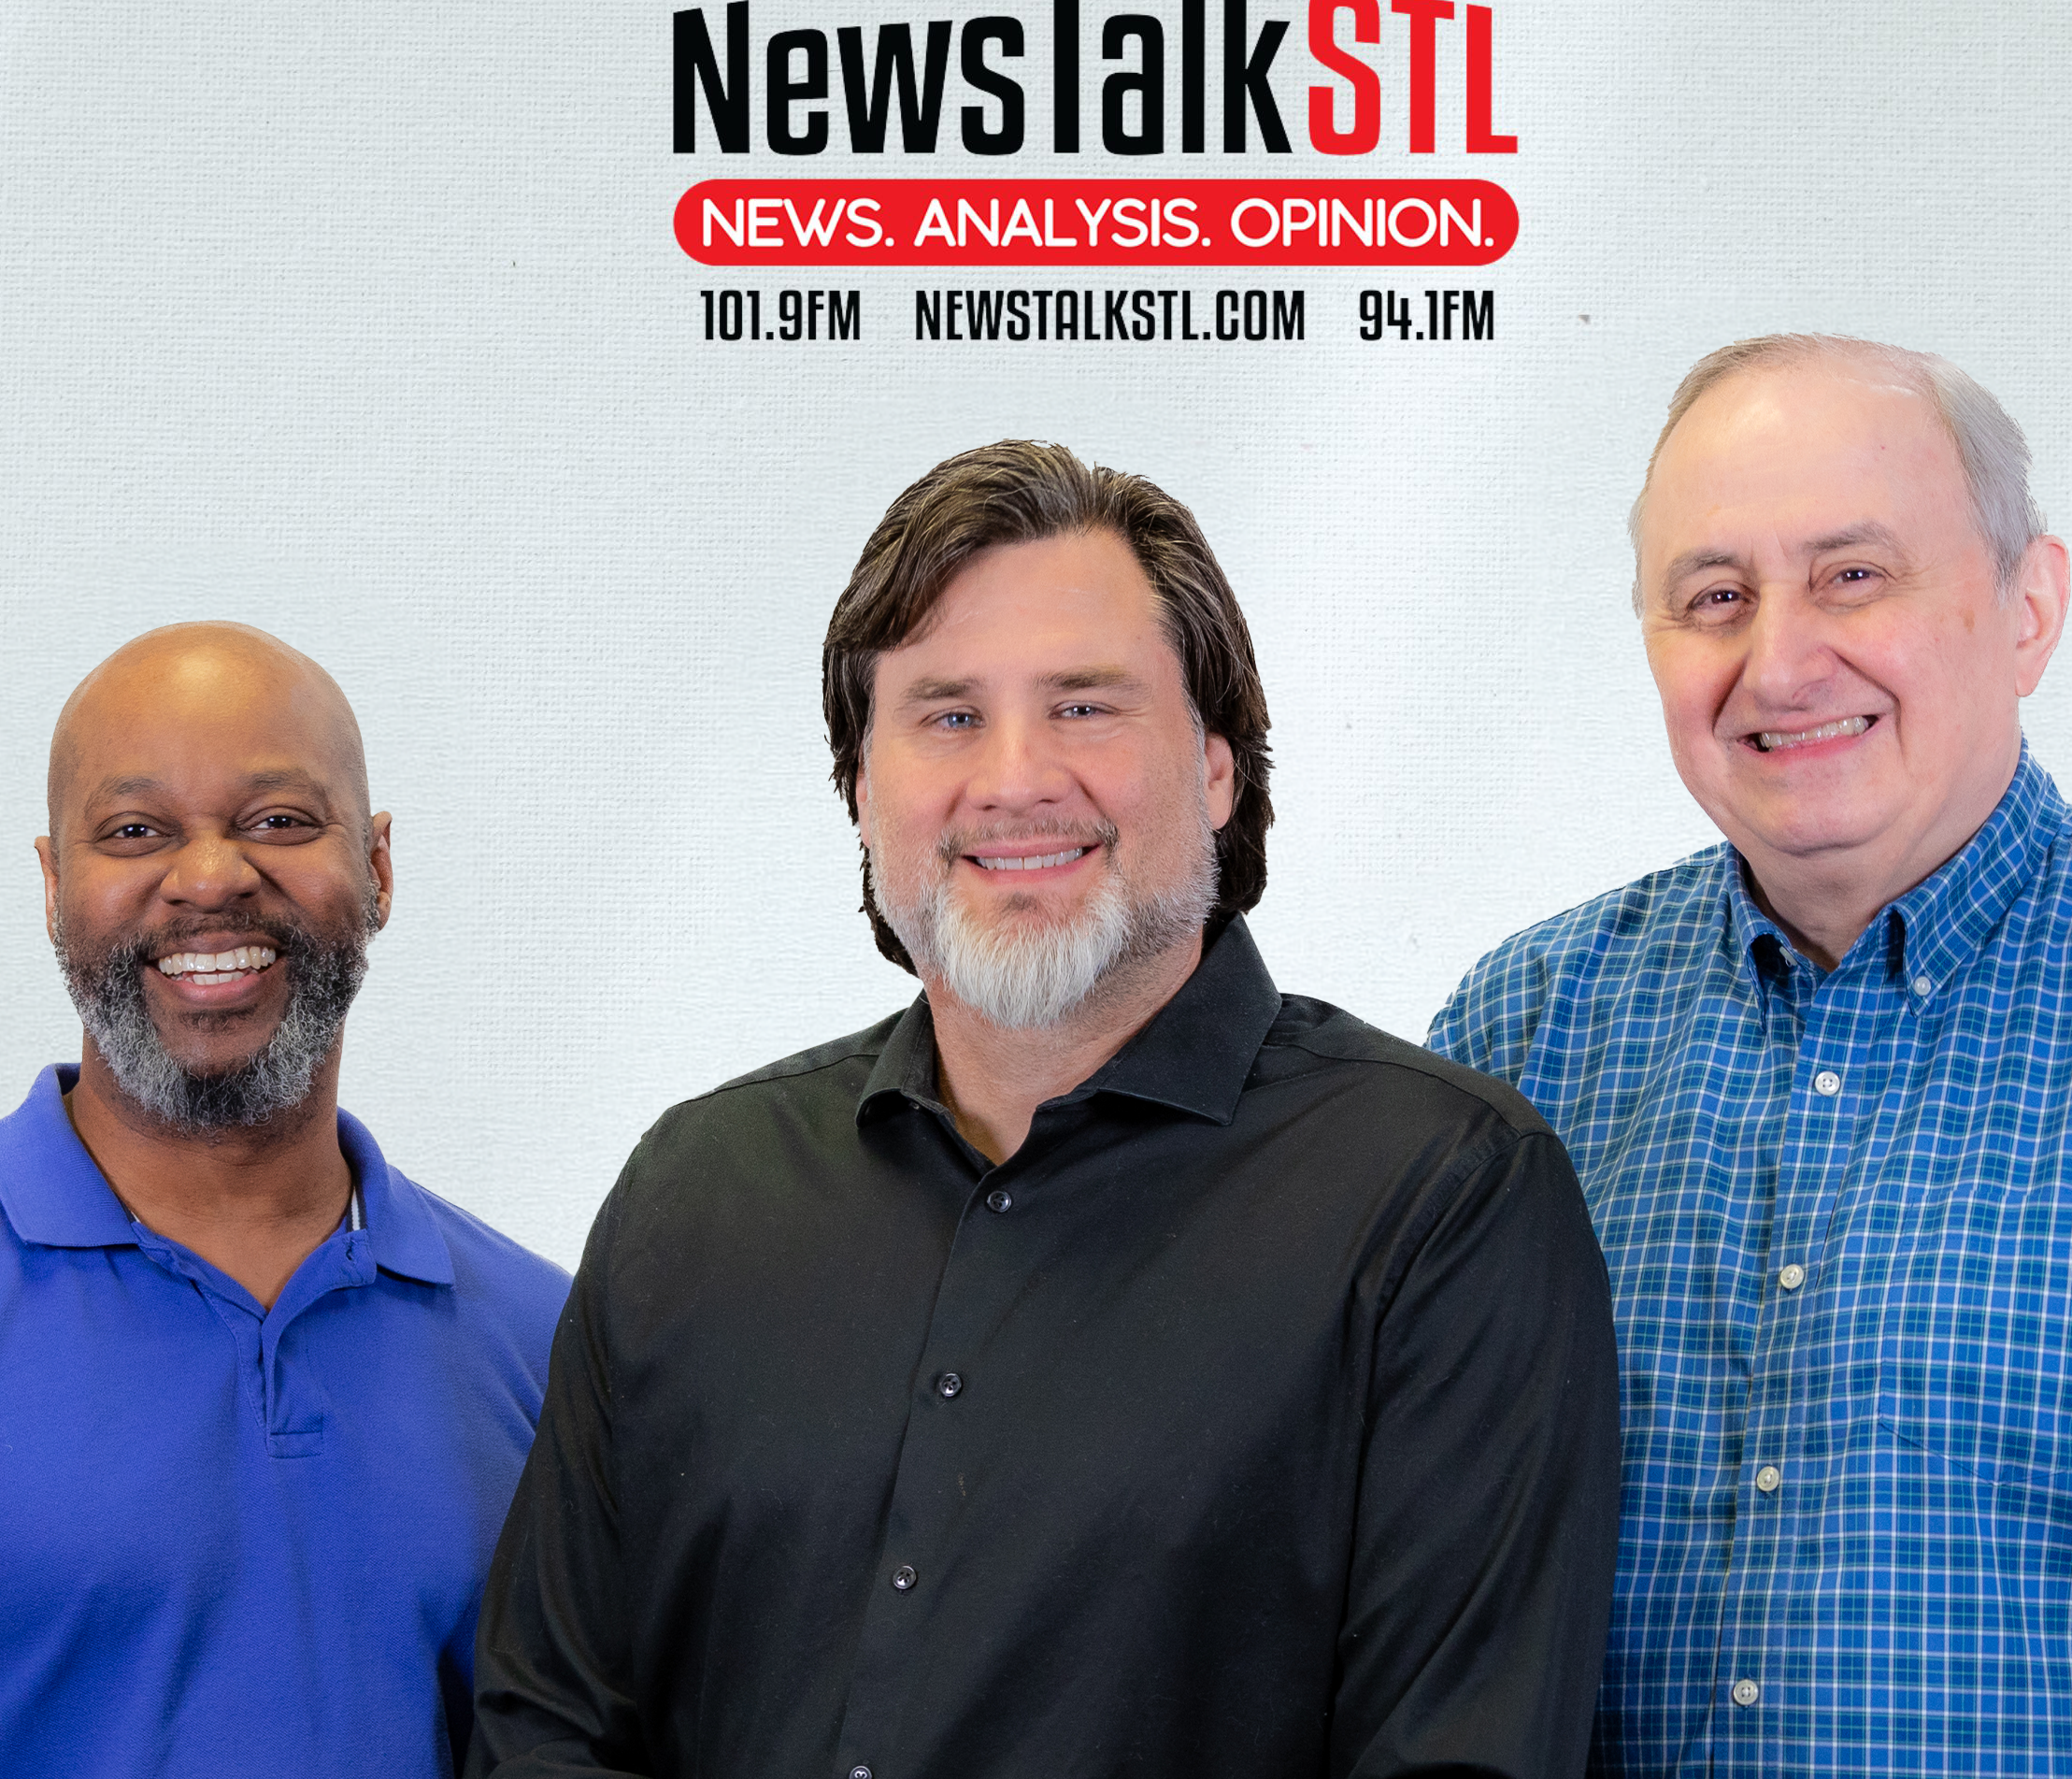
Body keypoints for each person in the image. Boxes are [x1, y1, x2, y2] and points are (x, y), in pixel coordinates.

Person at [1431, 334, 2072, 1776]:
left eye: (1854, 575)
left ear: (2028, 609)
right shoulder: (1526, 1033)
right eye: (1716, 596)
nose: (1783, 658)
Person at [472, 439, 1619, 1779]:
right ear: (858, 789)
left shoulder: (1441, 1198)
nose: (1013, 779)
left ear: (1217, 770)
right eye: (947, 715)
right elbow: (548, 1728)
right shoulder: (695, 1192)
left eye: (1084, 707)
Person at [0, 623, 570, 1779]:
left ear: (380, 866)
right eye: (136, 831)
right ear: (56, 887)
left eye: (278, 821)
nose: (210, 877)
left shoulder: (545, 1344)